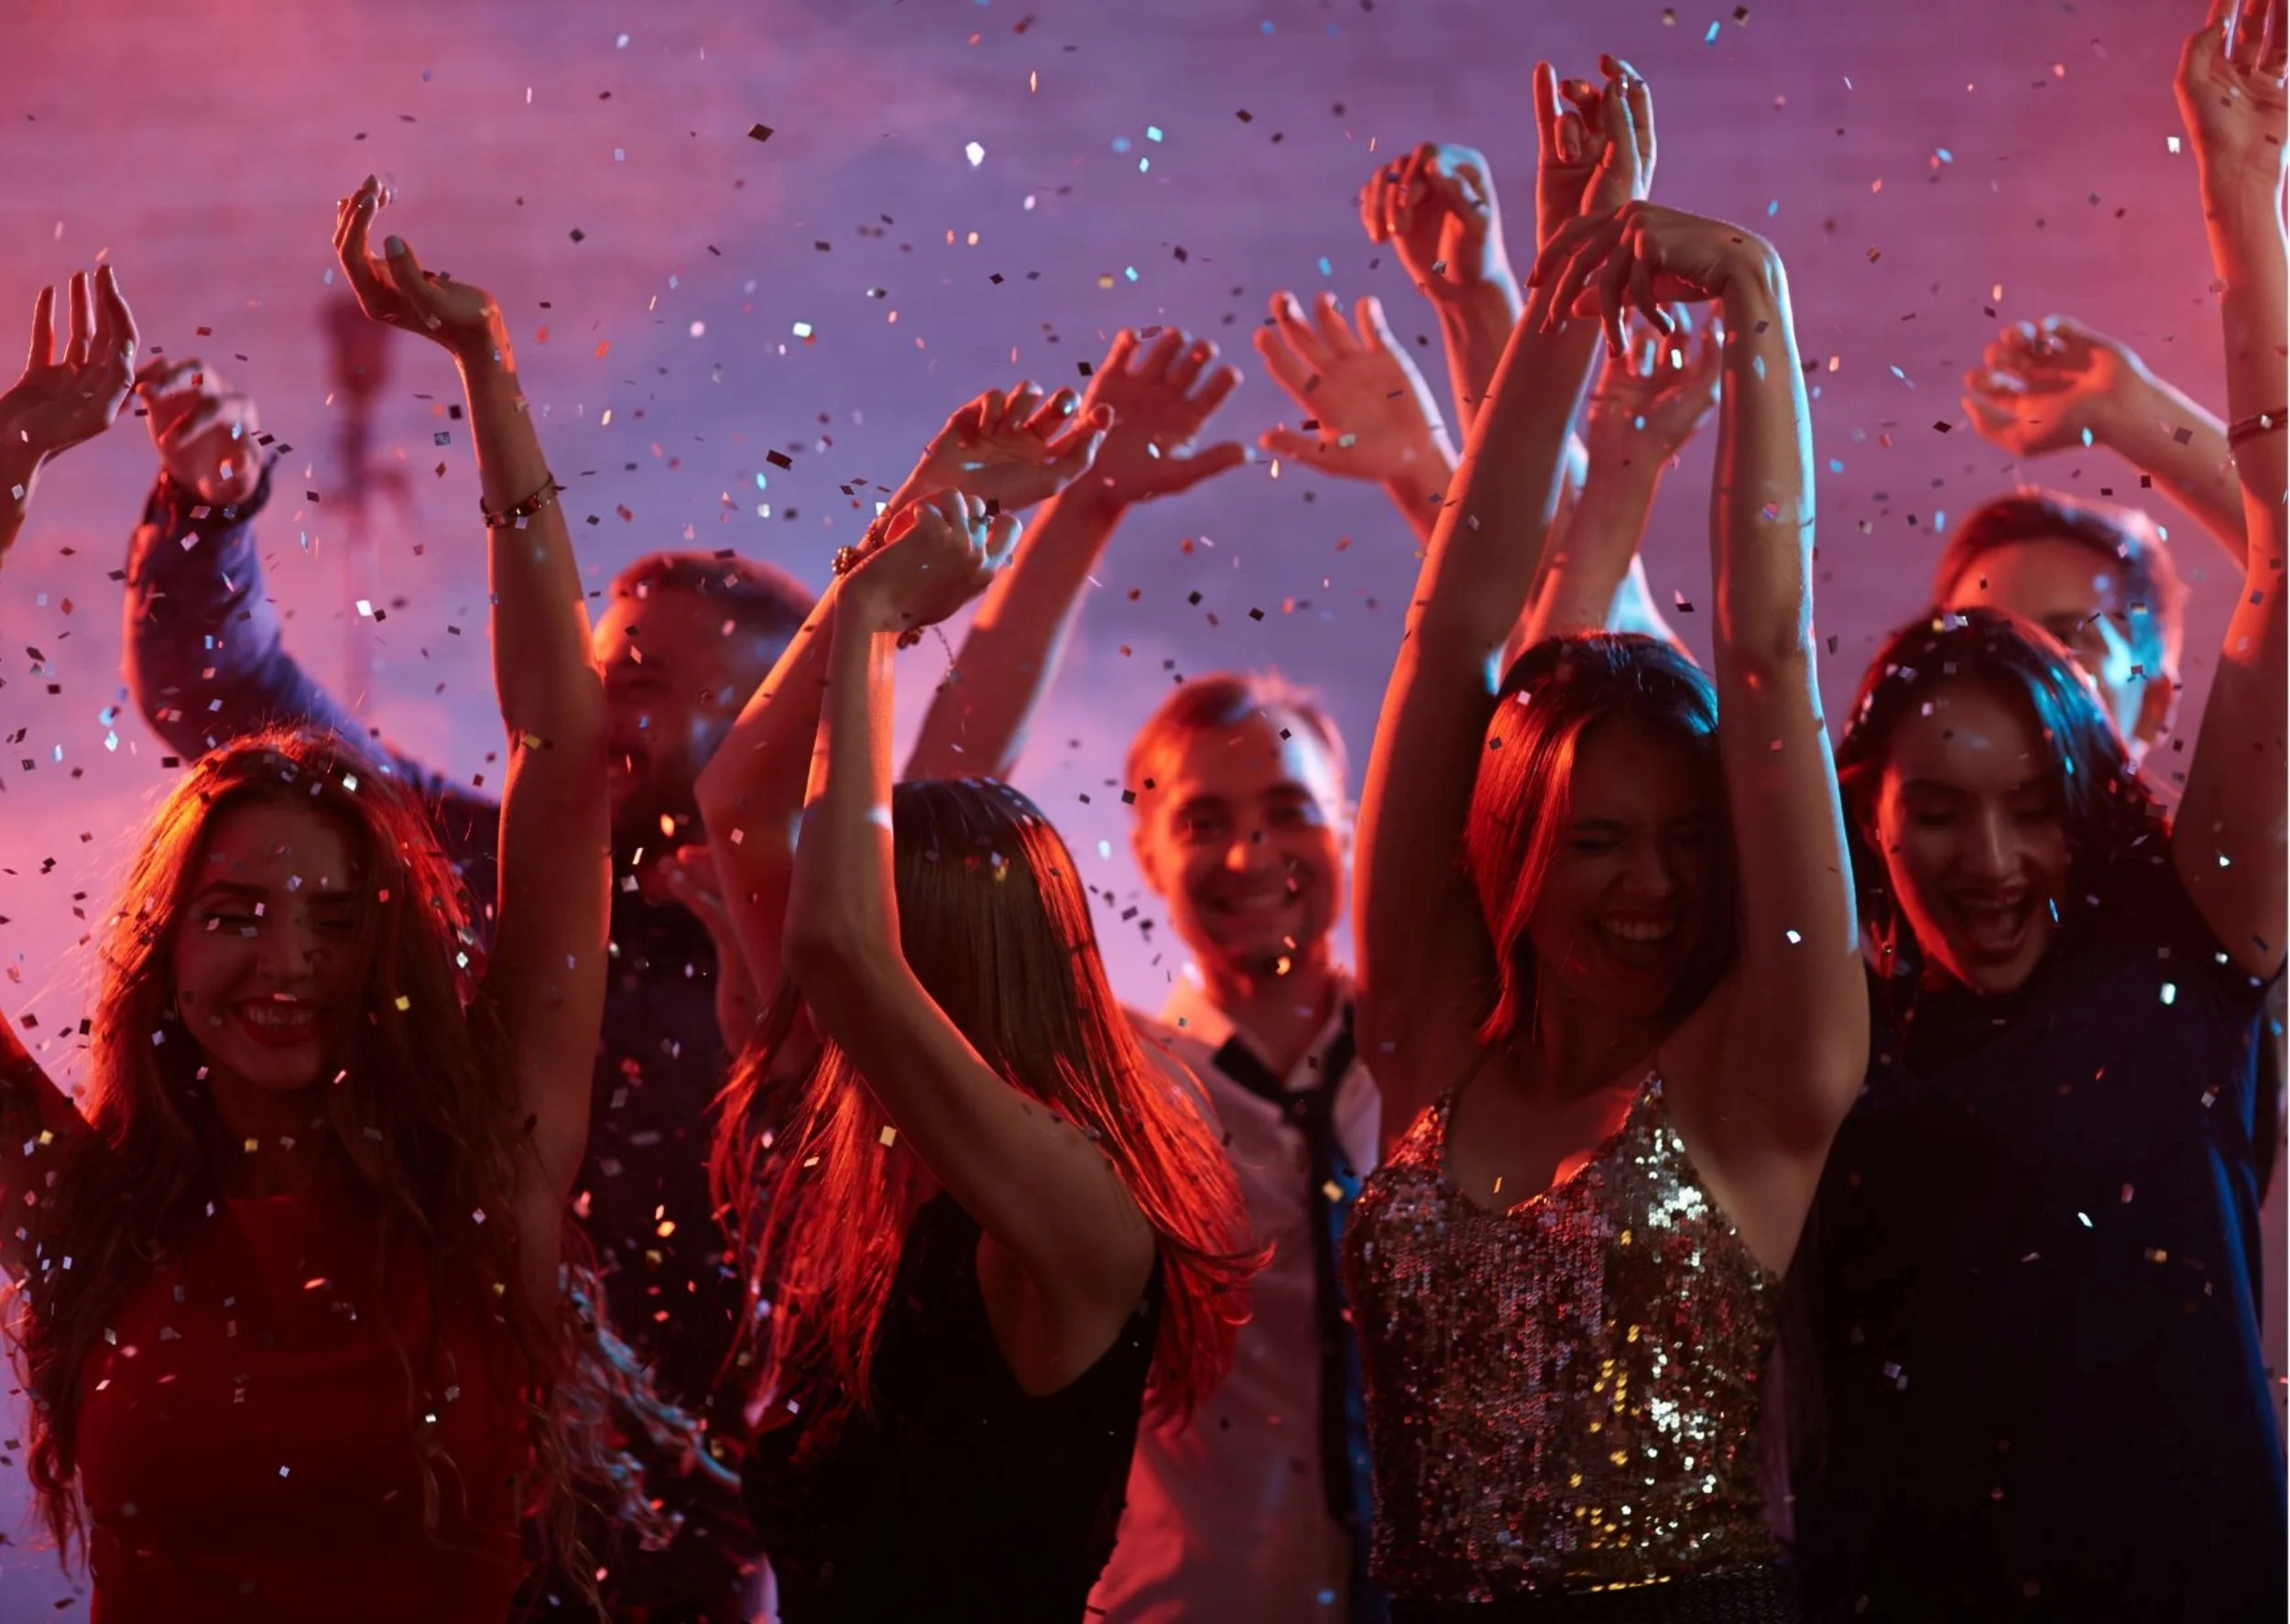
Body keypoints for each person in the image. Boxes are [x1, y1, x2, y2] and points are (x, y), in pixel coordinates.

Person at [116, 252, 1103, 1624]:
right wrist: (209, 520)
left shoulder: (831, 942)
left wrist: (978, 536)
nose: (591, 702)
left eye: (637, 680)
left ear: (756, 721)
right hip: (405, 1490)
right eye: (595, 664)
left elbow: (897, 763)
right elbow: (230, 694)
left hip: (693, 1545)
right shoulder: (458, 867)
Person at [0, 180, 613, 1620]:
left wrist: (487, 368)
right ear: (162, 947)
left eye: (339, 924)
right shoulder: (87, 1206)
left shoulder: (488, 1183)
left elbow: (563, 754)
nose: (288, 961)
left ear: (393, 946)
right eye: (235, 914)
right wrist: (13, 455)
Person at [1346, 52, 1866, 1619]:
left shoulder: (1763, 1071)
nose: (1653, 886)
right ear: (1513, 842)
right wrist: (1566, 292)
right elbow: (1452, 638)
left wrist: (1757, 304)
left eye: (1689, 840)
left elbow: (1768, 651)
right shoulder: (1432, 1031)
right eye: (1595, 841)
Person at [1790, 3, 2288, 1615]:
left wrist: (2240, 191)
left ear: (2108, 722)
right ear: (1875, 796)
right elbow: (1657, 679)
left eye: (2068, 657)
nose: (1988, 859)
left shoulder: (2194, 932)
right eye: (1940, 805)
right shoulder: (1826, 1002)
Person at [702, 488, 1258, 1620]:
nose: (798, 976)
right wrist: (896, 542)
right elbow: (736, 799)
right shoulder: (876, 1135)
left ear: (935, 973)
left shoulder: (1080, 1203)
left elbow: (839, 946)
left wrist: (870, 625)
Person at [1089, 672, 1383, 1624]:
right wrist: (1081, 517)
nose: (1250, 854)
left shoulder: (1433, 1049)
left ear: (1345, 825)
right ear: (1145, 852)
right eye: (1203, 820)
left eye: (1288, 811)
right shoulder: (1113, 1082)